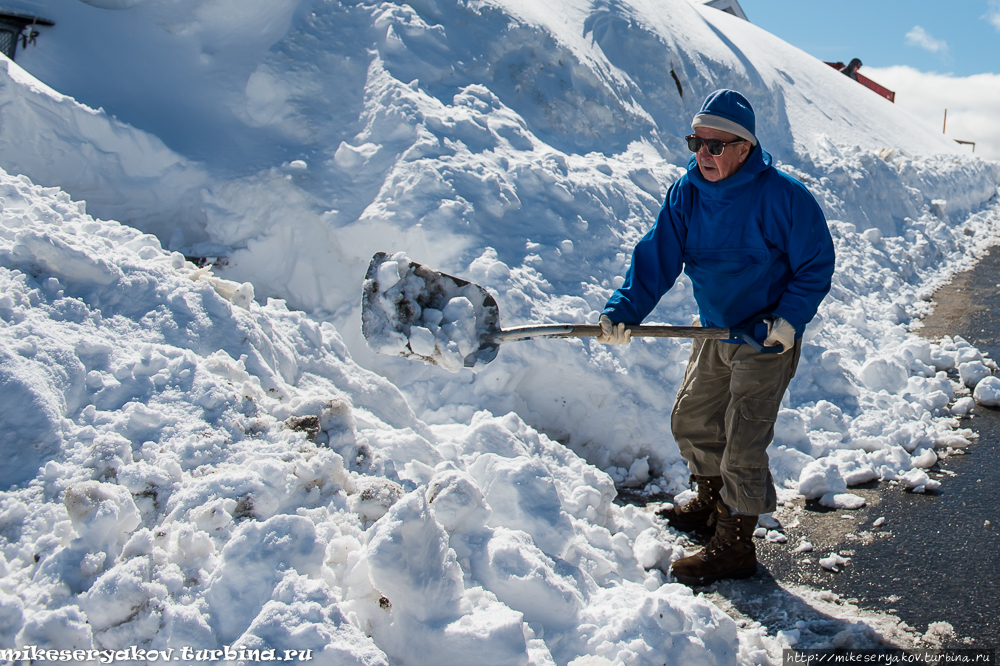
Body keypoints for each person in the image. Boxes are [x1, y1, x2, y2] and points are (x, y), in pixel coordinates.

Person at [597, 89, 835, 586]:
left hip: (766, 337)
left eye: (714, 145)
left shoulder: (783, 197)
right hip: (714, 329)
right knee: (693, 419)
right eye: (695, 142)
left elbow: (815, 265)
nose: (701, 154)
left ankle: (735, 542)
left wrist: (788, 320)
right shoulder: (686, 192)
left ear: (744, 147)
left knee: (744, 441)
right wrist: (625, 309)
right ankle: (710, 502)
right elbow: (658, 255)